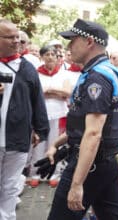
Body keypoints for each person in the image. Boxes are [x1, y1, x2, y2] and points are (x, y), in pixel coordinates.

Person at [46, 18, 118, 220]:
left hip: (91, 163)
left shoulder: (96, 78)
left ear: (89, 42)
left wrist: (76, 184)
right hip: (106, 161)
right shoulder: (108, 71)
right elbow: (86, 124)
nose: (68, 46)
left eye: (72, 40)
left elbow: (93, 133)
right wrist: (57, 143)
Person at [0, 19, 49, 220]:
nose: (16, 41)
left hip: (18, 137)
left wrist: (39, 129)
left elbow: (38, 100)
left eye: (17, 37)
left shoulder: (27, 68)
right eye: (9, 37)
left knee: (11, 185)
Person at [29, 45, 71, 188]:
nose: (50, 57)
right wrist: (55, 93)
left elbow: (67, 93)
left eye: (53, 54)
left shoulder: (63, 73)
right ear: (41, 57)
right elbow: (35, 93)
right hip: (41, 113)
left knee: (55, 143)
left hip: (59, 113)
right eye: (47, 54)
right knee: (39, 144)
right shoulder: (36, 73)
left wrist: (50, 90)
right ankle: (36, 173)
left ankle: (54, 172)